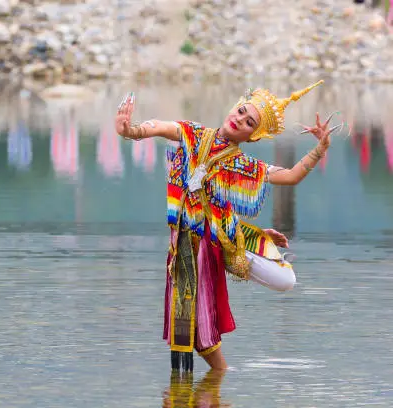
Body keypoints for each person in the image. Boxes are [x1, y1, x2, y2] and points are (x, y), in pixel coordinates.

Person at [115, 80, 336, 372]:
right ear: (234, 106)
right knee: (186, 330)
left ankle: (218, 378)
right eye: (241, 111)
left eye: (249, 122)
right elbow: (156, 126)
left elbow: (292, 176)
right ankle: (212, 385)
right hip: (183, 243)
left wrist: (320, 148)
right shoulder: (191, 133)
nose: (239, 119)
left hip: (214, 243)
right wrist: (129, 130)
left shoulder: (242, 164)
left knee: (210, 322)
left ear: (253, 136)